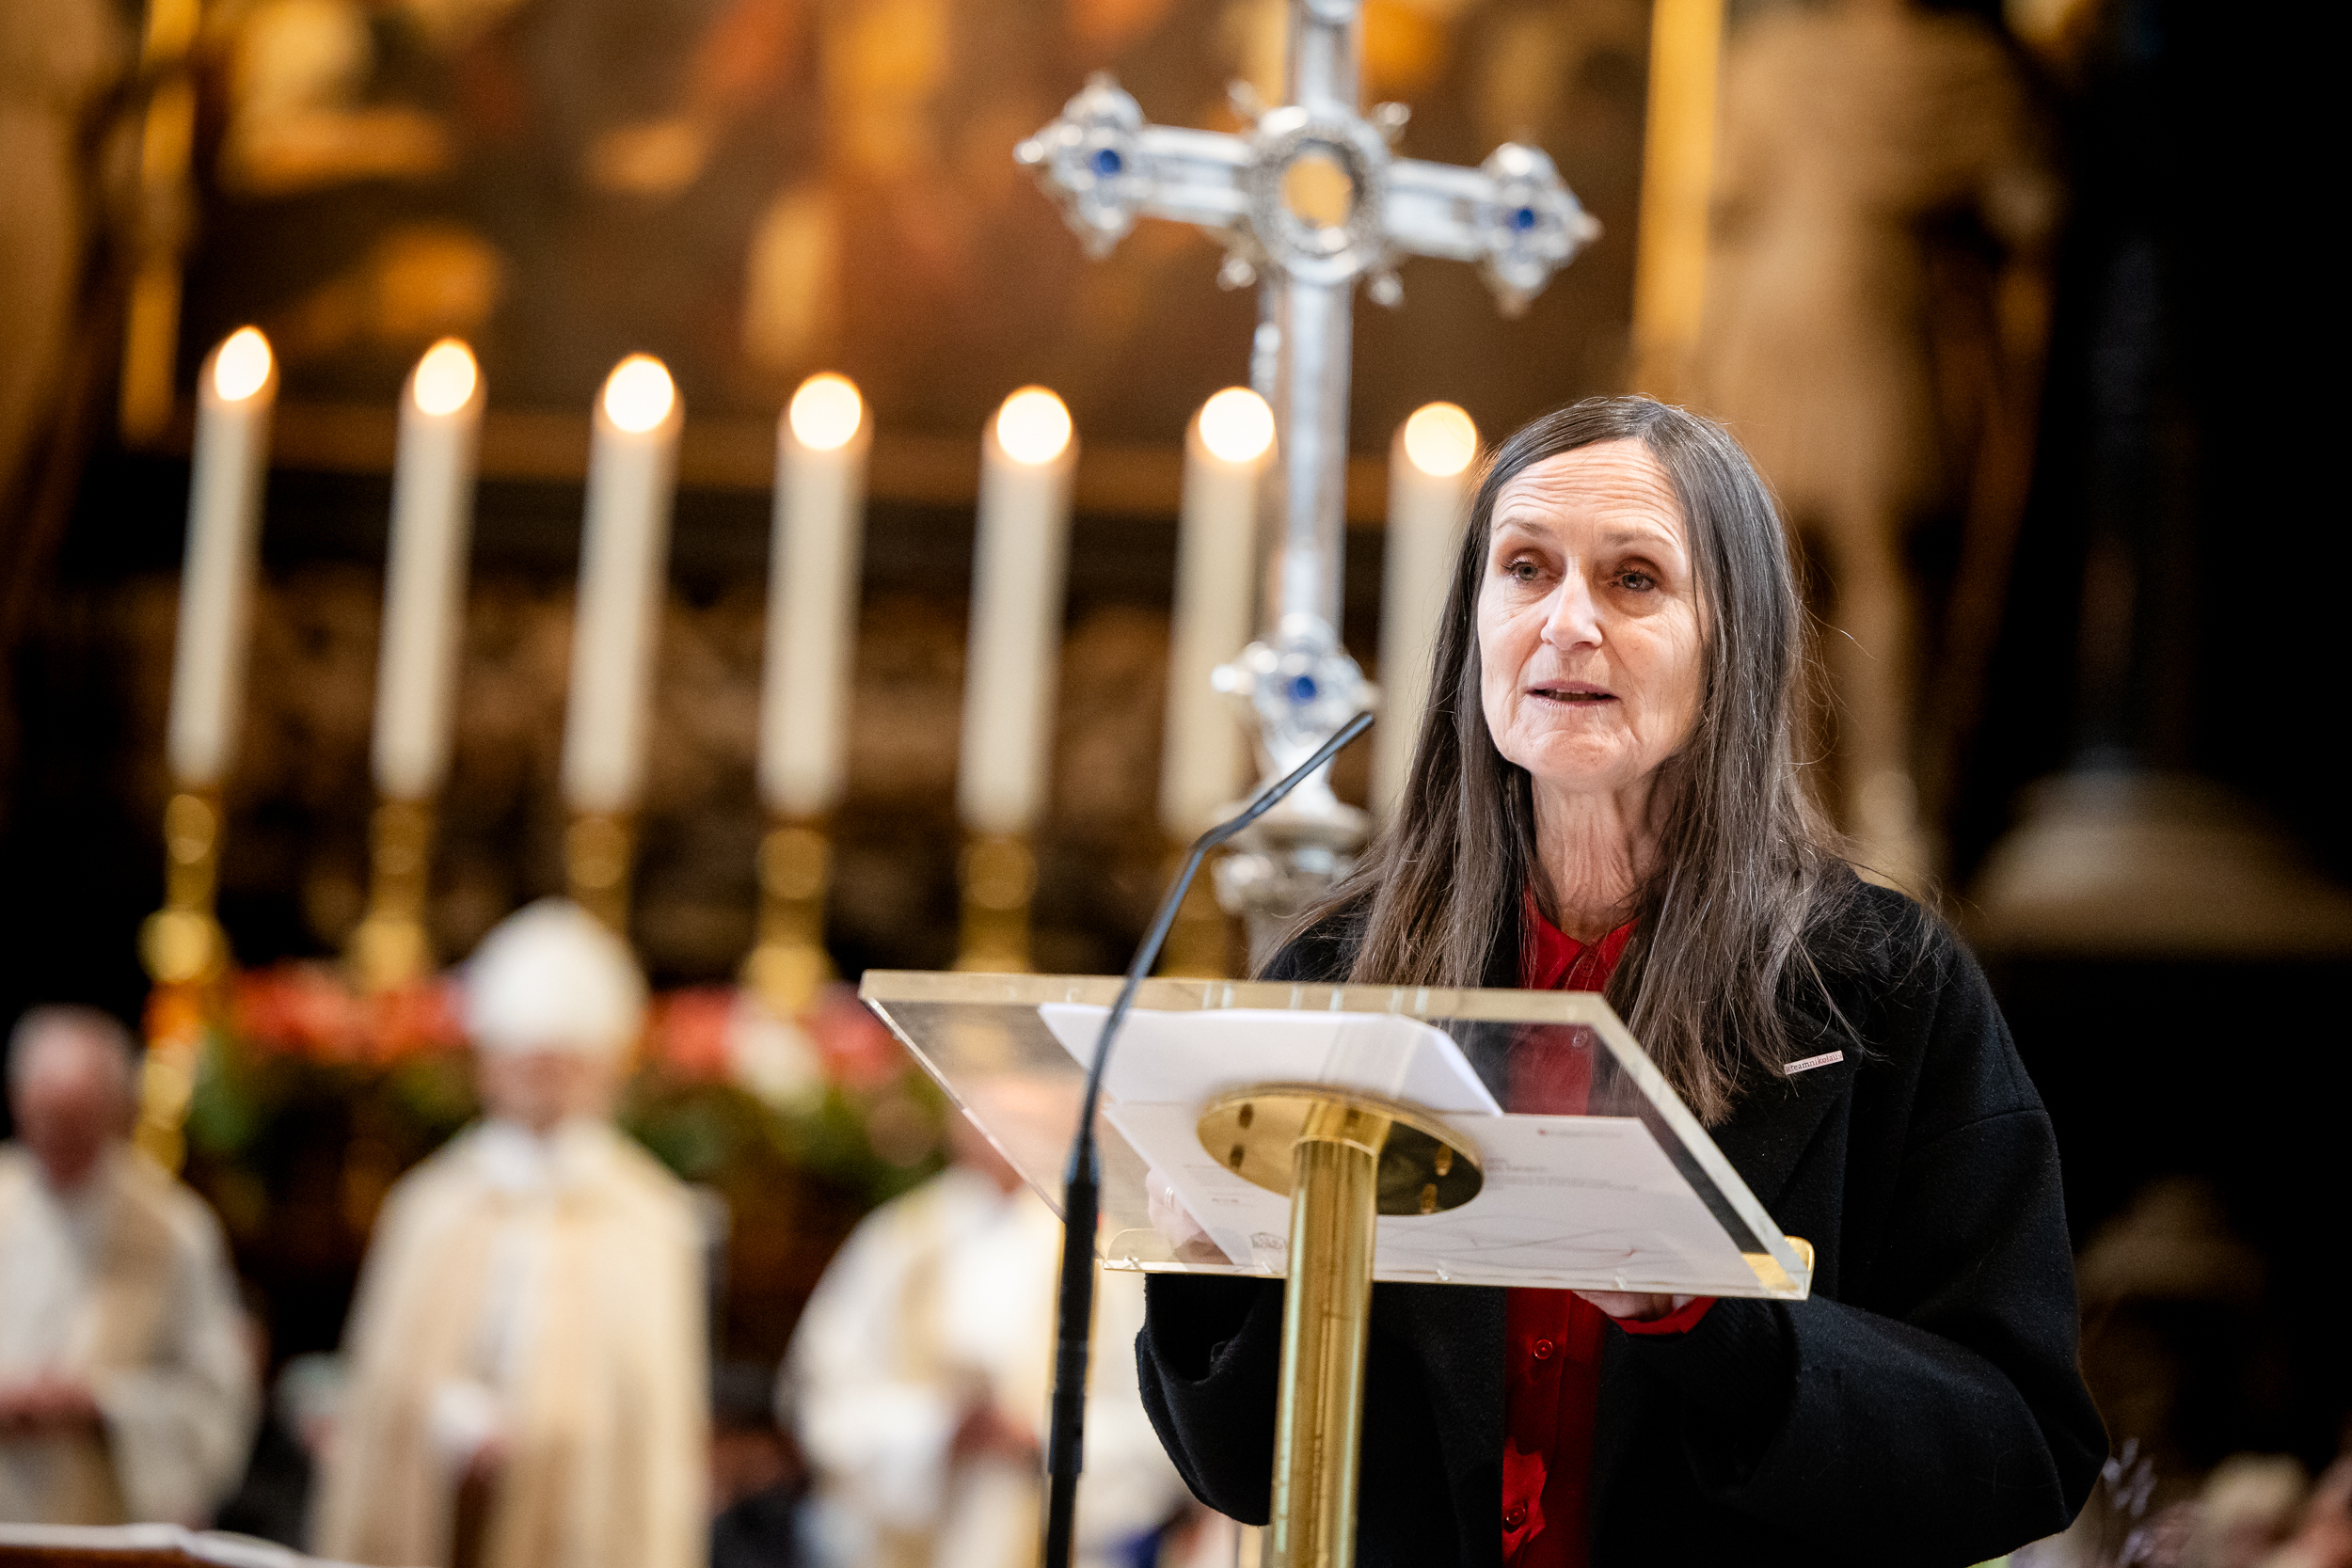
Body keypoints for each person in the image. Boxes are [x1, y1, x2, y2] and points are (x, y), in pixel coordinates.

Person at [1136, 397, 2106, 1565]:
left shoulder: (1882, 983)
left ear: (1730, 641)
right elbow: (1244, 1471)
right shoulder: (1344, 970)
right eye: (1525, 569)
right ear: (1474, 624)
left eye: (1633, 578)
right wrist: (1211, 1269)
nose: (1565, 624)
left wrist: (1708, 1315)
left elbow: (2020, 1447)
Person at [312, 899, 708, 1568]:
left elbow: (656, 1424)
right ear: (488, 1065)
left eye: (563, 1066)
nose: (543, 1086)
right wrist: (451, 1417)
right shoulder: (432, 1205)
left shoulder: (651, 1217)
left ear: (607, 1070)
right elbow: (382, 1388)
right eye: (526, 1064)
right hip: (445, 1513)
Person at [786, 1115, 1189, 1568]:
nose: (996, 1124)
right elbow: (824, 1399)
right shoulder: (895, 1240)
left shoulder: (1102, 1248)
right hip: (917, 1532)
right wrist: (936, 1431)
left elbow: (1155, 1423)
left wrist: (1039, 1436)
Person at [0, 1005, 255, 1525]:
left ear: (119, 1111)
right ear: (17, 1100)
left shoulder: (175, 1230)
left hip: (107, 1532)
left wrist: (101, 1405)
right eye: (45, 1114)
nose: (57, 1135)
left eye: (77, 1119)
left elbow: (215, 1399)